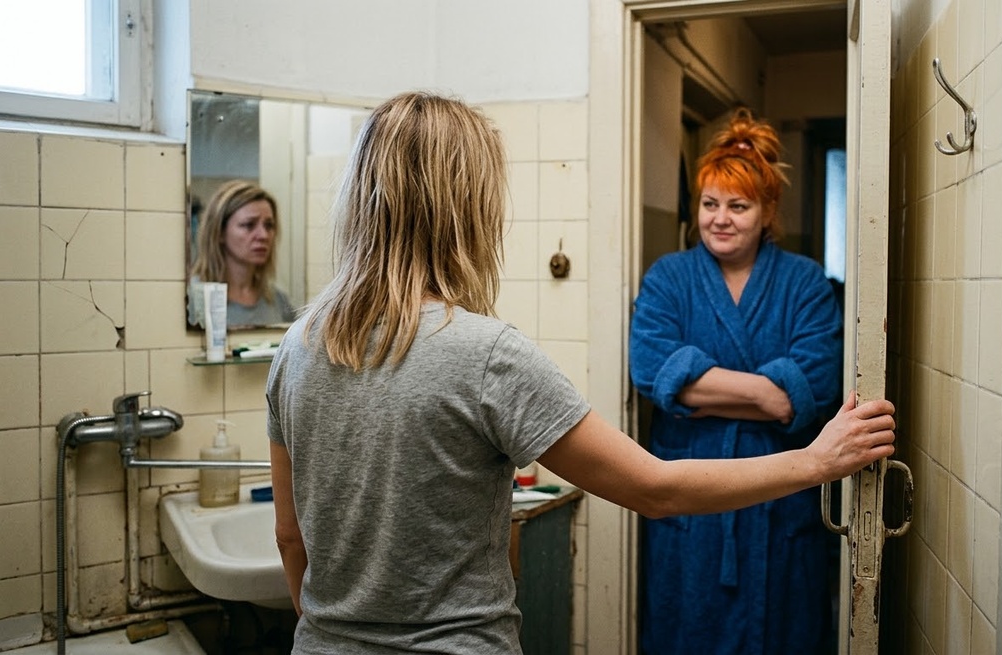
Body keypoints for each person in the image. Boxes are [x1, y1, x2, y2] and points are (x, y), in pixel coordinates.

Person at [266, 92, 895, 654]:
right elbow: (653, 487)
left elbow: (290, 539)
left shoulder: (296, 347)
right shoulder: (487, 355)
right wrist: (816, 460)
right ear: (467, 209)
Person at [630, 108, 844, 655]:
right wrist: (767, 395)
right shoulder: (668, 278)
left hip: (780, 500)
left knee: (784, 635)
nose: (720, 219)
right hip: (693, 500)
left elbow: (814, 387)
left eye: (738, 206)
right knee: (686, 633)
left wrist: (697, 392)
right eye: (710, 204)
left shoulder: (805, 283)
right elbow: (651, 369)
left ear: (768, 211)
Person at [190, 179, 296, 327]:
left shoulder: (278, 301)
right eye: (249, 225)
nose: (263, 235)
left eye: (269, 225)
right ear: (219, 232)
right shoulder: (193, 297)